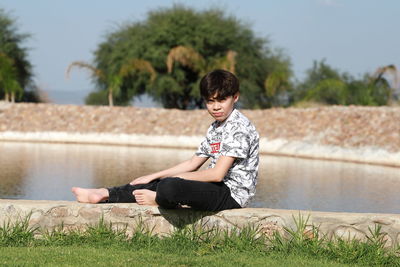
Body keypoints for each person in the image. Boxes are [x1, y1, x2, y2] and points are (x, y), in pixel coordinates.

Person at [72, 69, 259, 211]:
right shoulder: (216, 127)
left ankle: (159, 199)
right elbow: (193, 163)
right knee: (153, 181)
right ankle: (104, 193)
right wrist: (155, 175)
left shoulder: (239, 127)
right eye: (210, 101)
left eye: (221, 100)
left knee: (170, 185)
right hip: (215, 187)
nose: (216, 107)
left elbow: (217, 174)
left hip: (231, 195)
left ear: (235, 98)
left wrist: (171, 179)